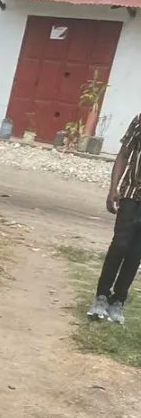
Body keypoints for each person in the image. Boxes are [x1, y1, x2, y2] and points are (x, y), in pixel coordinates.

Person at [88, 111, 141, 324]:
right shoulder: (139, 120)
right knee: (119, 244)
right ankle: (101, 296)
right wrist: (113, 188)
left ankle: (118, 300)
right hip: (130, 193)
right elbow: (124, 154)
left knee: (136, 252)